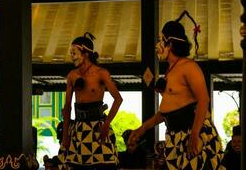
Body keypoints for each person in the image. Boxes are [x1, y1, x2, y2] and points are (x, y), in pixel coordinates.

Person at [128, 11, 225, 170]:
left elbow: (204, 100)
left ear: (170, 44)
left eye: (160, 40)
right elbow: (167, 111)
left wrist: (194, 134)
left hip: (193, 132)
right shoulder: (170, 71)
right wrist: (142, 128)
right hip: (174, 135)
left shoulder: (189, 67)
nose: (157, 45)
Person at [58, 32, 123, 170]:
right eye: (71, 53)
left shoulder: (101, 73)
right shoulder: (72, 75)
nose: (72, 56)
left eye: (74, 52)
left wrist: (106, 124)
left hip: (98, 127)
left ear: (86, 53)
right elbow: (67, 107)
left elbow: (118, 99)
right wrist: (65, 136)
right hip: (79, 128)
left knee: (105, 165)